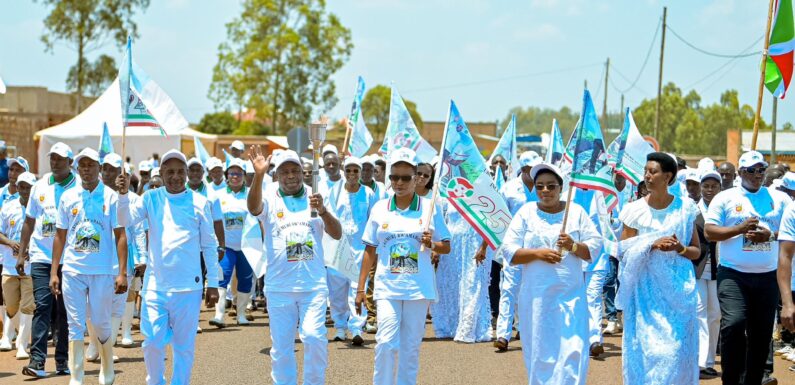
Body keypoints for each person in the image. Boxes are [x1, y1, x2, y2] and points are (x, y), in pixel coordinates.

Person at [116, 149, 221, 385]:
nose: (175, 176)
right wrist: (123, 195)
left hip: (188, 288)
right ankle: (155, 380)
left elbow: (209, 246)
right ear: (161, 173)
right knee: (152, 341)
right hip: (156, 287)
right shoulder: (151, 198)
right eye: (170, 171)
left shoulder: (200, 202)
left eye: (180, 172)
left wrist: (212, 283)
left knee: (184, 347)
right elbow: (124, 221)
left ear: (187, 173)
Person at [355, 147, 451, 385]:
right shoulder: (379, 208)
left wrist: (433, 244)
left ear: (417, 177)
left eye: (406, 177)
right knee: (386, 343)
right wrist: (360, 288)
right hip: (388, 287)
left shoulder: (429, 208)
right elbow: (369, 250)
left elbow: (446, 246)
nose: (399, 182)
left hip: (418, 290)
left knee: (410, 348)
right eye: (394, 177)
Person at [247, 146, 341, 385]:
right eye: (285, 171)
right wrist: (258, 175)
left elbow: (337, 233)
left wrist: (323, 211)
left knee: (314, 337)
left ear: (303, 172)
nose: (290, 176)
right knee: (281, 347)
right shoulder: (268, 194)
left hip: (313, 285)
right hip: (279, 287)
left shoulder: (317, 194)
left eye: (295, 170)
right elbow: (253, 208)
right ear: (277, 174)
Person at [502, 162, 601, 384]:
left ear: (560, 187)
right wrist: (538, 254)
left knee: (572, 350)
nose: (545, 191)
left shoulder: (575, 212)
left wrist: (573, 245)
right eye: (540, 186)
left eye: (551, 186)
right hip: (537, 299)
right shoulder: (526, 212)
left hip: (570, 298)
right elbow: (509, 251)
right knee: (540, 352)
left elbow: (594, 247)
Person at [704, 150, 789, 385]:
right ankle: (731, 379)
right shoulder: (725, 198)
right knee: (733, 325)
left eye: (761, 170)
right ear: (741, 172)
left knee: (761, 335)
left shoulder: (779, 199)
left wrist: (770, 235)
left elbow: (790, 234)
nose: (757, 175)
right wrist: (739, 229)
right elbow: (709, 232)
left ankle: (752, 381)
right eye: (751, 170)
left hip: (767, 277)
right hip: (733, 275)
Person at [619, 152, 701, 385]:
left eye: (652, 171)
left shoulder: (686, 209)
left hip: (678, 292)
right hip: (645, 292)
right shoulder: (633, 211)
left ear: (668, 177)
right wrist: (650, 244)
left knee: (675, 352)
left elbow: (696, 251)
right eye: (646, 171)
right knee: (648, 352)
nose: (647, 175)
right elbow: (623, 250)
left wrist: (679, 248)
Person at [50, 148, 127, 384]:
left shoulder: (111, 197)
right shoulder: (67, 197)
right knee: (75, 323)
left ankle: (107, 369)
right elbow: (60, 236)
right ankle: (77, 376)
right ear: (77, 167)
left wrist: (122, 272)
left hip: (102, 271)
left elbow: (121, 236)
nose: (86, 169)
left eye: (91, 165)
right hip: (73, 270)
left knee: (101, 322)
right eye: (82, 165)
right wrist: (54, 271)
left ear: (99, 168)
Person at [17, 142, 78, 378]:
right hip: (42, 256)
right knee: (43, 306)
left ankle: (62, 360)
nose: (55, 162)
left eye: (60, 159)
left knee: (64, 310)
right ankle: (38, 362)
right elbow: (29, 221)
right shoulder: (39, 186)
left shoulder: (79, 187)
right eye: (52, 158)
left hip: (69, 258)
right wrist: (22, 252)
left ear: (69, 162)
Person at [326, 156, 376, 345]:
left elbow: (374, 219)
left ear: (360, 172)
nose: (352, 174)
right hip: (337, 249)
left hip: (360, 249)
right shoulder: (334, 191)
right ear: (344, 172)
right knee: (337, 291)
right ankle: (340, 328)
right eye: (349, 170)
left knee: (357, 290)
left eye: (356, 170)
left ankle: (356, 329)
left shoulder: (369, 193)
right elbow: (328, 218)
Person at [493, 151, 540, 352]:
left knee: (531, 288)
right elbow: (499, 217)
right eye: (532, 168)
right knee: (509, 288)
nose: (536, 171)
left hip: (536, 246)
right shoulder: (509, 188)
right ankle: (503, 334)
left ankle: (524, 328)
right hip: (513, 247)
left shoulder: (542, 186)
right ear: (523, 169)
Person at [210, 157, 253, 327]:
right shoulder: (218, 195)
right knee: (222, 278)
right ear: (227, 175)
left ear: (244, 175)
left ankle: (241, 314)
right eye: (231, 173)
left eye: (238, 173)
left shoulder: (251, 194)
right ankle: (219, 315)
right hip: (226, 247)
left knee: (245, 279)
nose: (235, 176)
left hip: (247, 247)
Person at [0, 171, 36, 359]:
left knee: (28, 306)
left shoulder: (40, 209)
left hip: (31, 266)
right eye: (21, 186)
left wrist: (31, 247)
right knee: (11, 306)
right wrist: (10, 243)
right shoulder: (8, 207)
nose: (24, 190)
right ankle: (9, 335)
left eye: (28, 187)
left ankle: (22, 345)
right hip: (9, 265)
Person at [694, 170, 722, 378]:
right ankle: (700, 362)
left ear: (720, 188)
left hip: (720, 270)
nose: (709, 190)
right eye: (706, 186)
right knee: (699, 313)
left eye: (714, 186)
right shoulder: (692, 210)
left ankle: (710, 360)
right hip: (697, 269)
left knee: (715, 315)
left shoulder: (725, 208)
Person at [603, 172, 630, 335]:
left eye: (622, 178)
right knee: (609, 280)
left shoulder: (633, 194)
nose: (619, 181)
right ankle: (611, 318)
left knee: (623, 281)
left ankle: (619, 314)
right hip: (610, 246)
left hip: (627, 246)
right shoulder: (606, 195)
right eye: (616, 178)